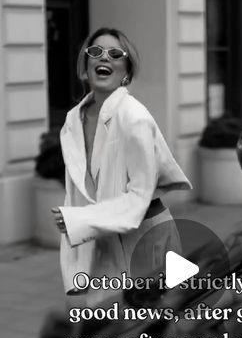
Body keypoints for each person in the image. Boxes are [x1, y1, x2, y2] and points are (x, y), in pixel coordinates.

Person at [52, 27, 192, 304]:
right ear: (86, 65)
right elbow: (79, 196)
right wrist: (75, 262)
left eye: (115, 54)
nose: (105, 58)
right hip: (105, 239)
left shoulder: (135, 118)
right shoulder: (72, 121)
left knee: (151, 333)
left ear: (126, 71)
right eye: (96, 52)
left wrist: (77, 221)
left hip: (147, 237)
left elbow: (139, 197)